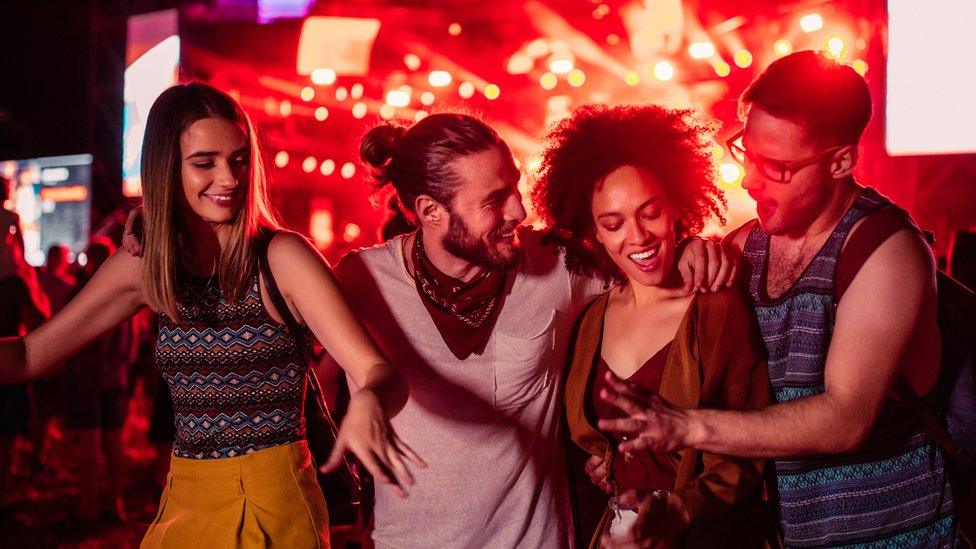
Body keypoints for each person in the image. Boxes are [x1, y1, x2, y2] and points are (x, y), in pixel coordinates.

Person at [0, 82, 422, 547]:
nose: (229, 178)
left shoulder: (281, 257)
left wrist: (368, 401)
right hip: (183, 498)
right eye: (205, 163)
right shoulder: (148, 266)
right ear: (166, 169)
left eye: (239, 159)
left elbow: (379, 370)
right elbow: (27, 356)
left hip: (273, 503)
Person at [598, 50, 957, 546]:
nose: (749, 179)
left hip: (894, 536)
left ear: (841, 161)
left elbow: (845, 418)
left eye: (778, 167)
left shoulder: (887, 250)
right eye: (745, 150)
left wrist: (684, 427)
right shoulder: (747, 246)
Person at [327, 112, 733, 548]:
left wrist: (690, 247)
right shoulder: (360, 281)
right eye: (493, 200)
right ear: (430, 210)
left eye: (515, 186)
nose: (518, 211)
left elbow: (643, 264)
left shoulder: (559, 263)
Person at [533, 104, 776, 548]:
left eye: (650, 212)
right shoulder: (591, 319)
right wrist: (605, 463)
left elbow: (745, 447)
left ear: (677, 206)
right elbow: (597, 441)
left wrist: (679, 508)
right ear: (594, 234)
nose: (638, 236)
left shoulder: (715, 307)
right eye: (614, 223)